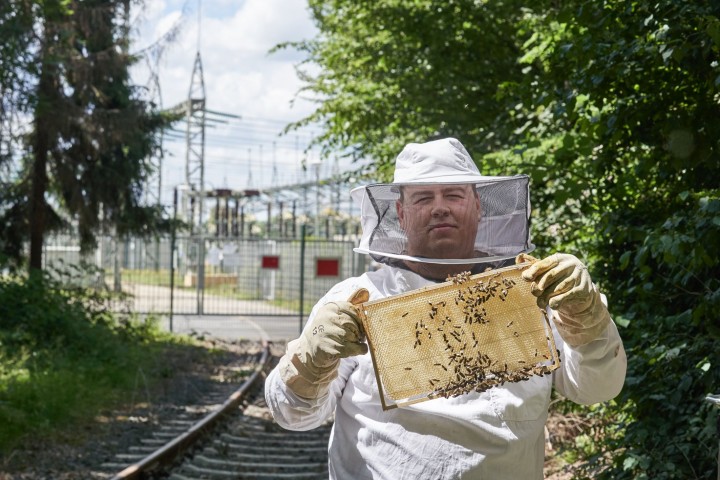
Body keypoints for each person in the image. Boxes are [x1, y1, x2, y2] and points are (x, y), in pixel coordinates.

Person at [264, 137, 626, 479]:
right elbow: (292, 415)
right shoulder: (356, 300)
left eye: (453, 194)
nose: (439, 207)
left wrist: (587, 317)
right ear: (401, 214)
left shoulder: (530, 291)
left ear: (478, 206)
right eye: (423, 198)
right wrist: (309, 360)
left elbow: (598, 388)